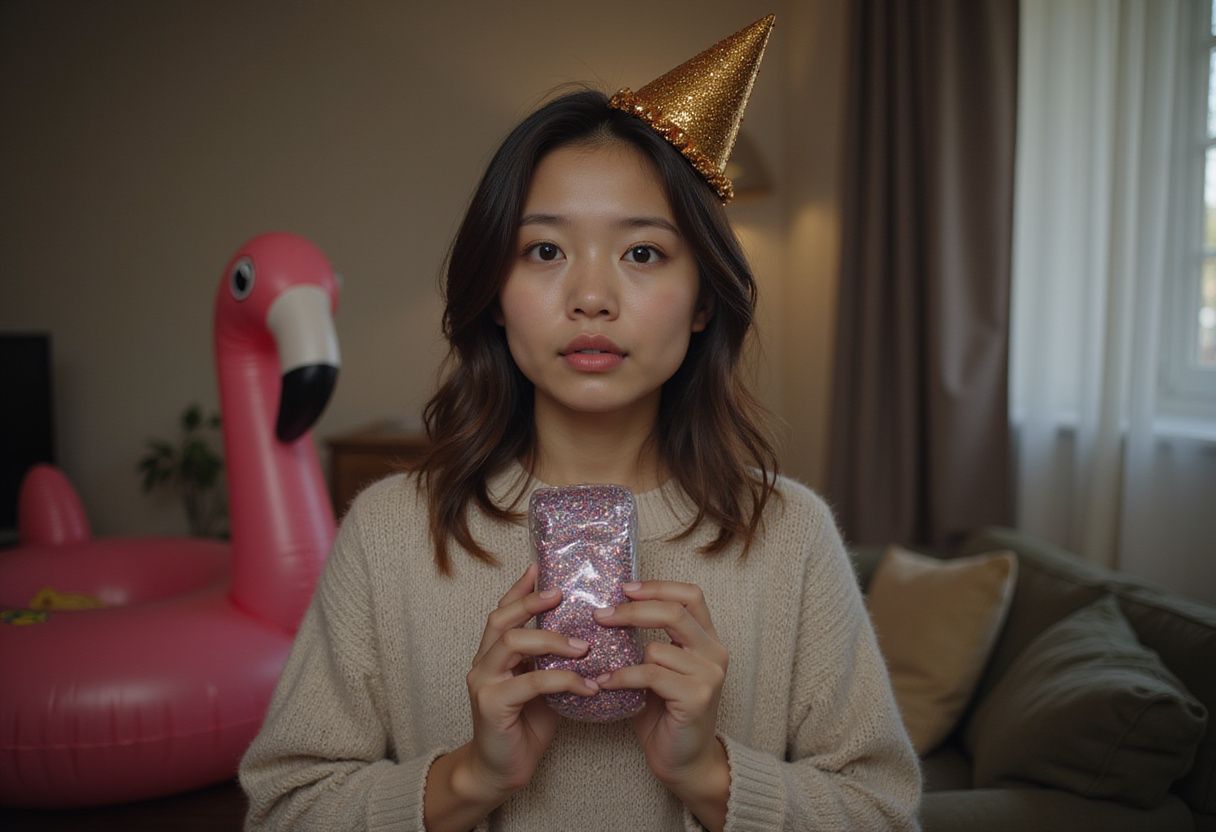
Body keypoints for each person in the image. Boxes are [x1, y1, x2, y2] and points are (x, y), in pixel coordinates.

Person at [240, 16, 921, 832]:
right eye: (544, 251)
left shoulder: (791, 538)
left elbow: (884, 815)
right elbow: (283, 810)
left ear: (703, 300)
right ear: (495, 290)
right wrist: (468, 778)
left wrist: (709, 774)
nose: (591, 296)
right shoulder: (392, 535)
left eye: (642, 254)